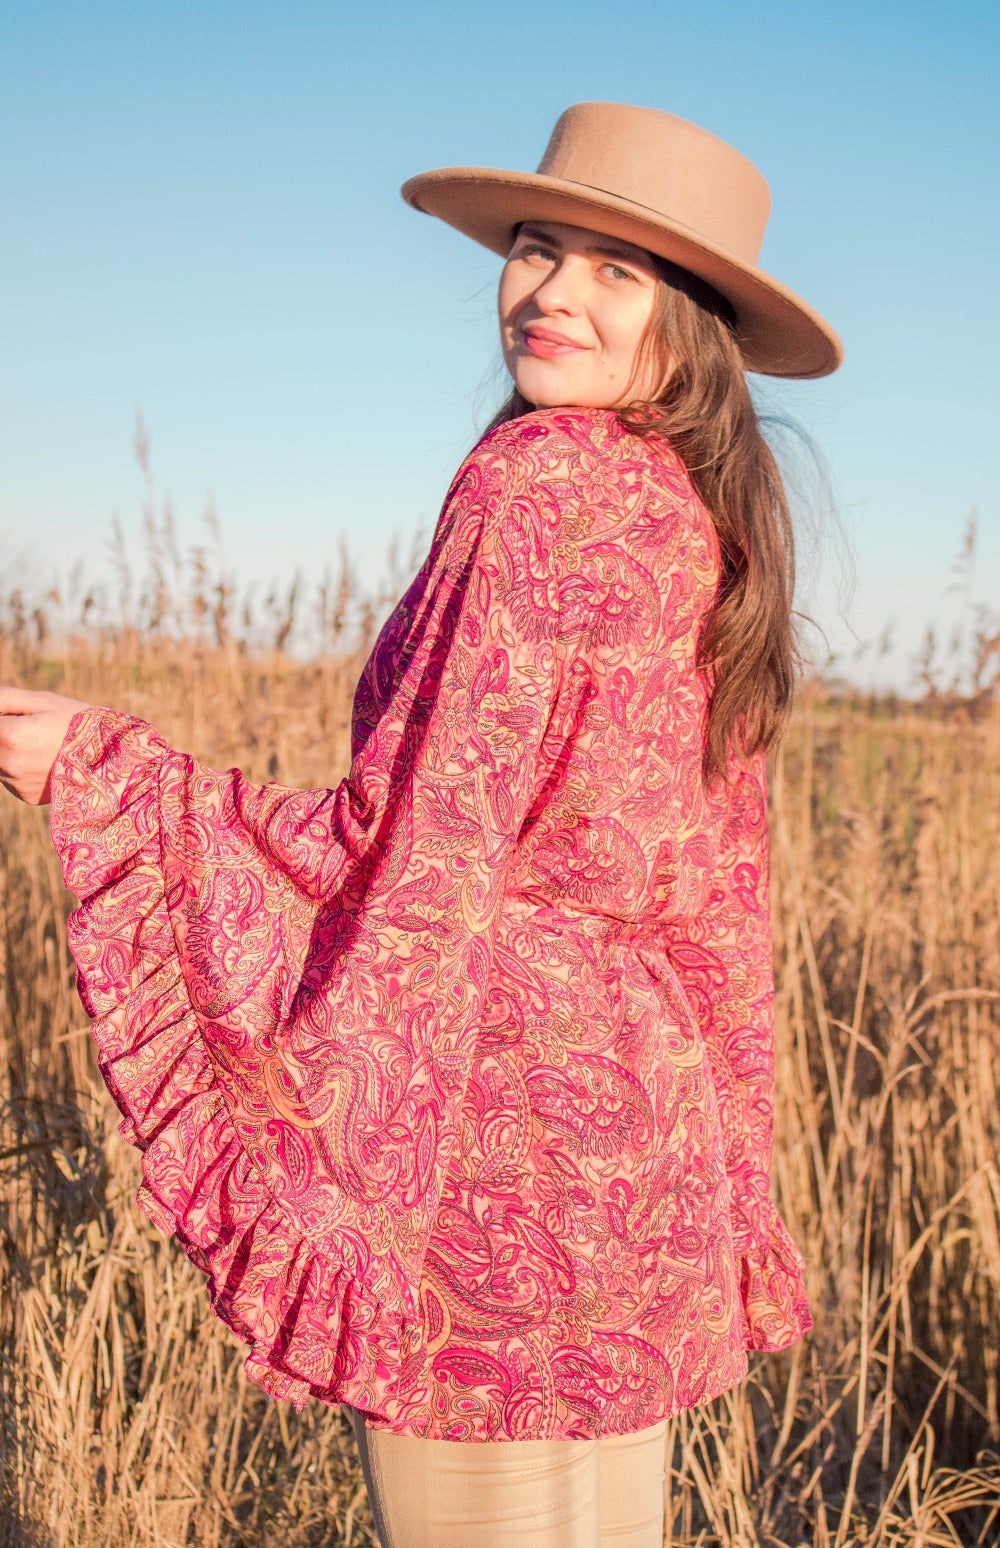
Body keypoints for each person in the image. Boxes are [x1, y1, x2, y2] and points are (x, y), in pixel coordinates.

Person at [0, 103, 841, 1547]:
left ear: (695, 322)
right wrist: (733, 1172)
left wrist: (111, 772)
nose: (553, 292)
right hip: (645, 1137)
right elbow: (724, 897)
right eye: (538, 247)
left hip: (497, 1130)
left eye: (617, 270)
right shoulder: (702, 517)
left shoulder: (537, 481)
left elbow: (406, 856)